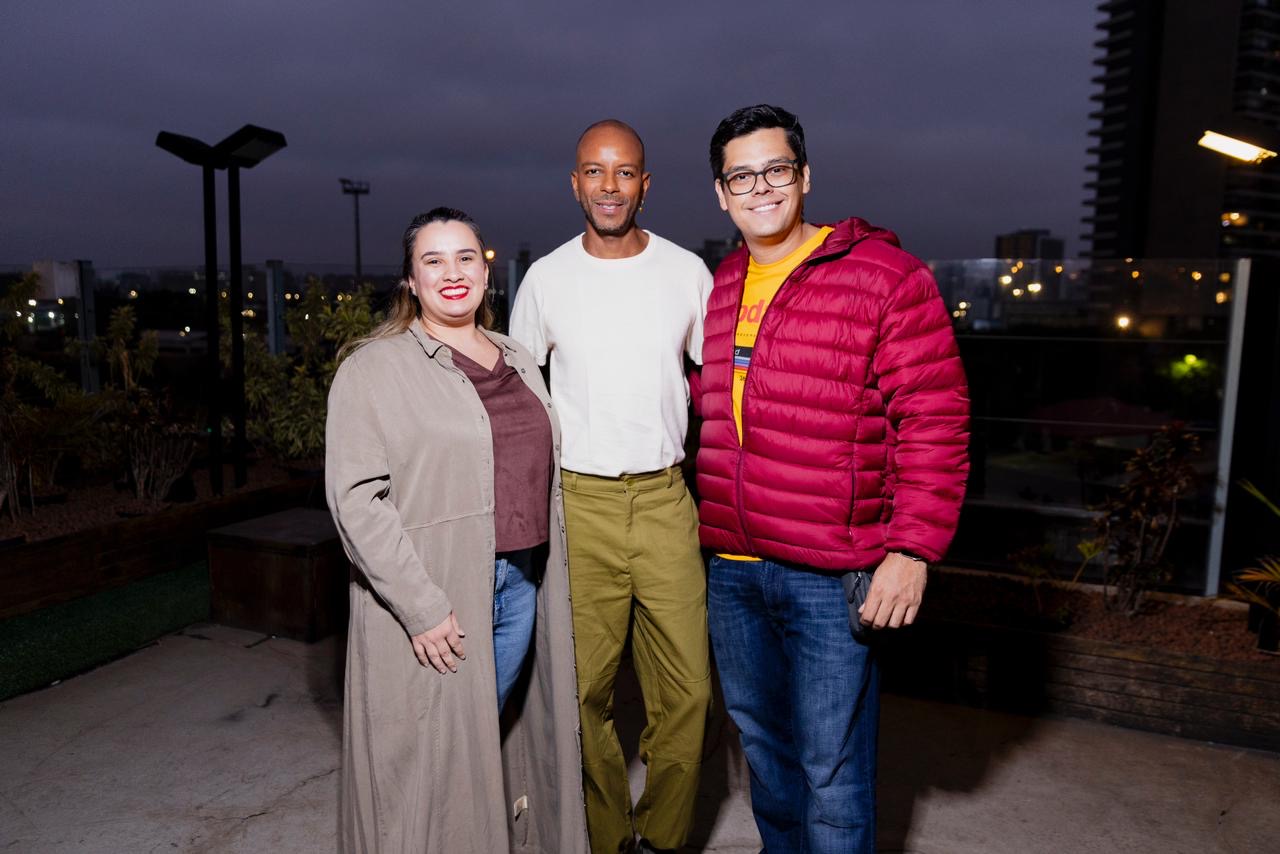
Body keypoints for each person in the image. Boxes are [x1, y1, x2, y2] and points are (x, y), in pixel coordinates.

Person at [696, 104, 970, 853]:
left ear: (805, 176)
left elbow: (936, 419)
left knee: (832, 773)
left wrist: (911, 550)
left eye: (775, 169)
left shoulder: (886, 277)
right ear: (722, 192)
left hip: (831, 574)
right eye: (740, 176)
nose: (760, 188)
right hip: (734, 570)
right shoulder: (724, 283)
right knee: (767, 762)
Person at [325, 208, 588, 853]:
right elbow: (356, 499)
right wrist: (421, 607)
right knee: (423, 767)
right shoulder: (373, 368)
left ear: (485, 269)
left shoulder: (517, 358)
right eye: (433, 261)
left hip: (518, 585)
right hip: (437, 599)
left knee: (477, 748)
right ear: (409, 280)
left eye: (466, 257)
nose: (452, 273)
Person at [509, 120, 713, 854]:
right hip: (579, 507)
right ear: (575, 183)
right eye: (594, 172)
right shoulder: (546, 280)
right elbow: (519, 406)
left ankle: (660, 837)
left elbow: (719, 386)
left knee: (688, 690)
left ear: (645, 184)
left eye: (624, 173)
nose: (609, 186)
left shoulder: (688, 272)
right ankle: (603, 835)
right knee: (579, 692)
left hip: (665, 500)